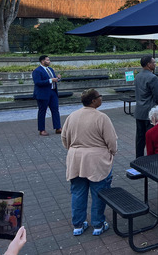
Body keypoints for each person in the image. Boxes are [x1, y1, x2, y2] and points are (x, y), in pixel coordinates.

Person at [61, 89, 117, 236]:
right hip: (96, 160)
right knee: (99, 192)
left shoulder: (72, 116)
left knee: (78, 192)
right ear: (93, 101)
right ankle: (98, 225)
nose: (101, 99)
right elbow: (111, 141)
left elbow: (64, 137)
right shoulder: (102, 117)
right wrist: (112, 152)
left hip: (76, 159)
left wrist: (73, 149)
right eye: (100, 97)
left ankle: (78, 225)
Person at [134, 55, 158, 158]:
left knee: (140, 138)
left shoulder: (137, 76)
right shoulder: (153, 77)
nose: (155, 64)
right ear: (148, 64)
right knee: (151, 138)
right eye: (154, 62)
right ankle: (152, 159)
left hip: (139, 111)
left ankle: (139, 160)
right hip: (150, 112)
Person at [32, 55, 62, 136]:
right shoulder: (37, 71)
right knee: (42, 111)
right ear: (42, 61)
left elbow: (53, 80)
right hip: (43, 94)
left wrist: (57, 79)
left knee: (55, 110)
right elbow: (37, 82)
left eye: (49, 60)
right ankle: (42, 130)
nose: (49, 61)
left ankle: (58, 127)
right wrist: (50, 80)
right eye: (47, 60)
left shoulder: (50, 69)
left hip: (53, 92)